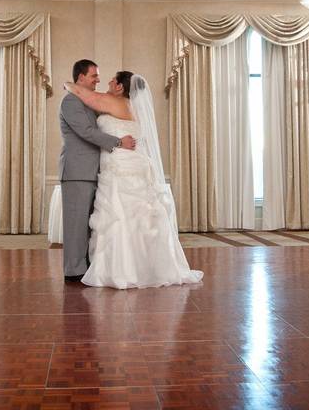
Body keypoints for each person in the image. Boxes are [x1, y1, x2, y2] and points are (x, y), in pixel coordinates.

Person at [64, 70, 202, 288]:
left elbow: (87, 95)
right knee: (136, 218)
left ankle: (123, 270)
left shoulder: (112, 102)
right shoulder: (131, 106)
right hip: (131, 163)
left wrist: (68, 84)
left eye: (111, 79)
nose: (105, 81)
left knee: (121, 215)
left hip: (120, 165)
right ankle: (145, 267)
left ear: (119, 87)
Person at [58, 60, 135, 281]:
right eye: (94, 76)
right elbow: (87, 132)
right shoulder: (71, 102)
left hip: (95, 172)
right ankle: (73, 271)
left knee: (88, 226)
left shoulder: (89, 102)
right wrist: (119, 142)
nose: (98, 80)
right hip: (77, 171)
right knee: (75, 225)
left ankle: (87, 267)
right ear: (81, 78)